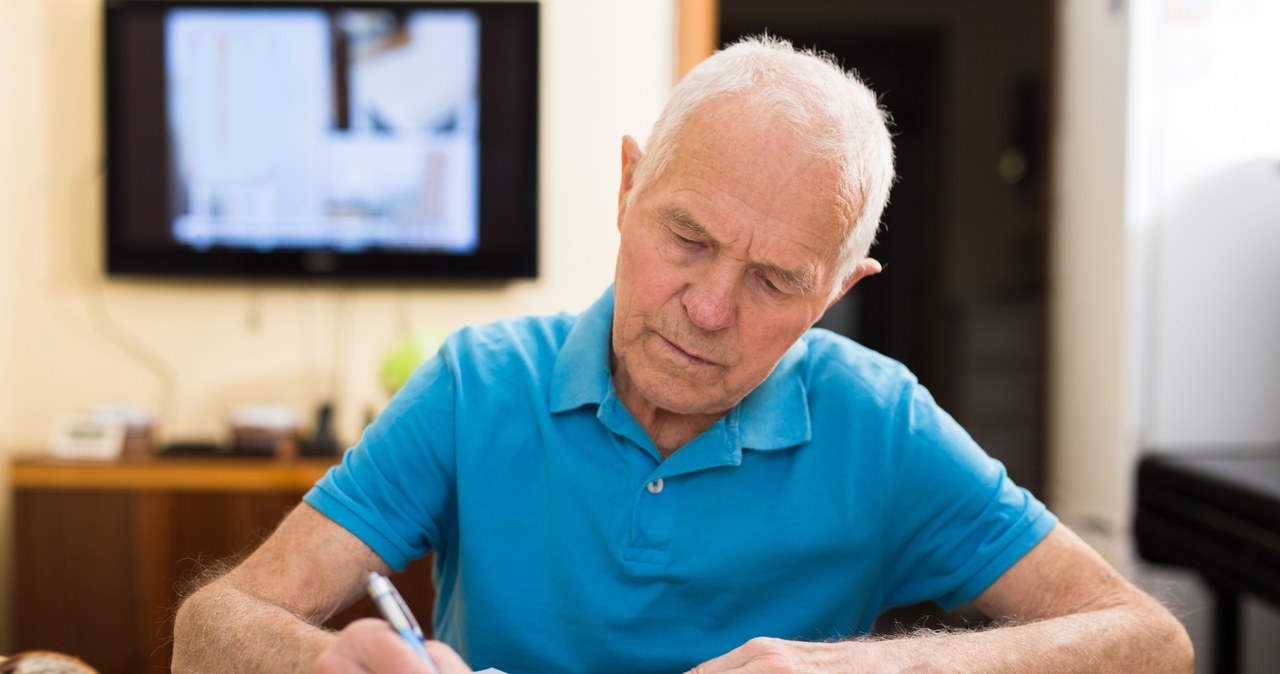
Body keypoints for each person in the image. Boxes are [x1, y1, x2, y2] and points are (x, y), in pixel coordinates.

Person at [172, 36, 1193, 673]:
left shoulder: (877, 422)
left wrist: (854, 669)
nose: (706, 308)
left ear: (836, 291)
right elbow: (212, 627)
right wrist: (323, 661)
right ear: (626, 190)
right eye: (686, 239)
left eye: (774, 280)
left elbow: (1149, 641)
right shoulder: (479, 382)